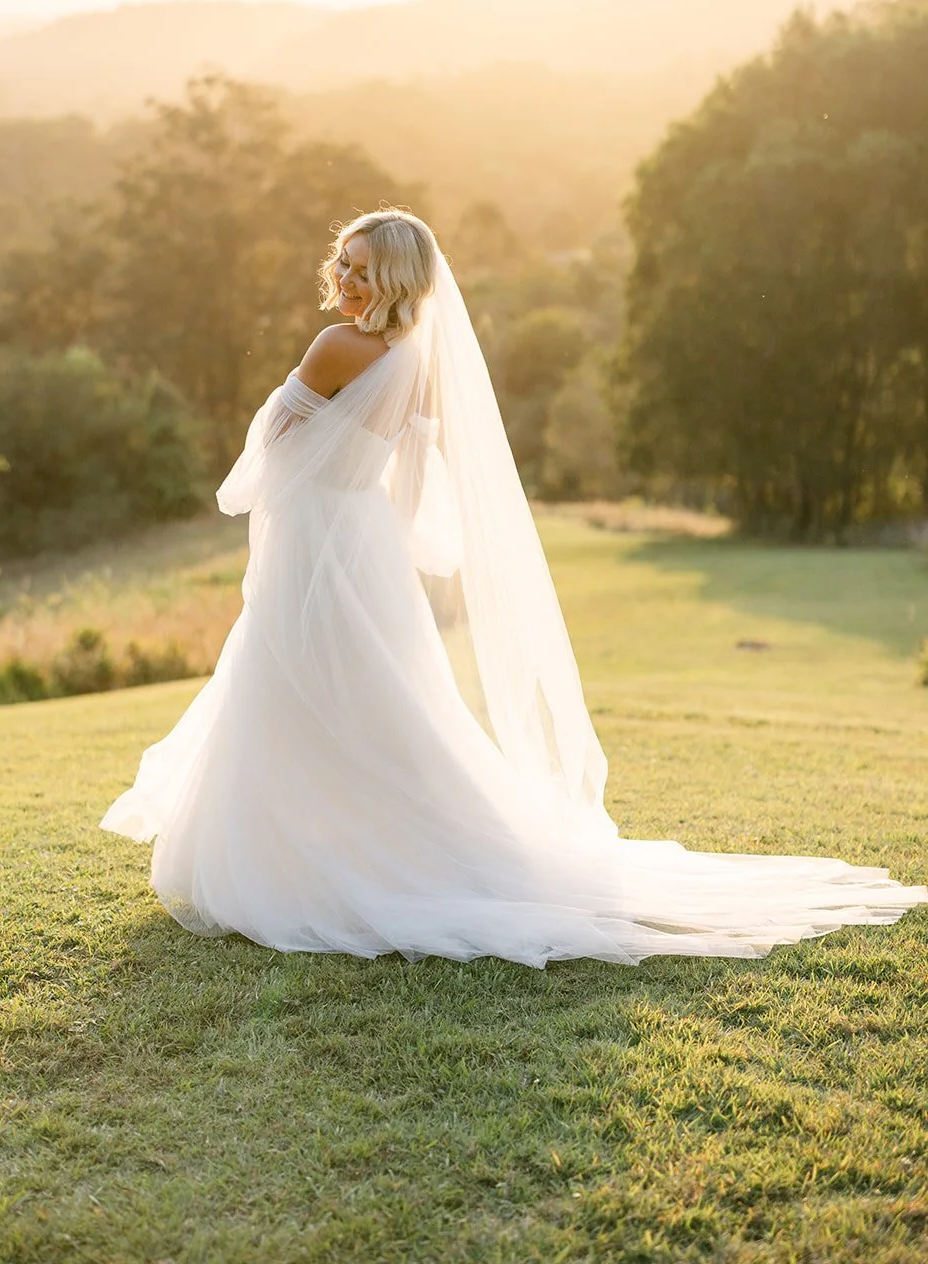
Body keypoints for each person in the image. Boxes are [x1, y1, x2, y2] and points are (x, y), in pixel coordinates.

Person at [101, 209, 925, 965]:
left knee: (293, 682)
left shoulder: (333, 348)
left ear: (395, 280)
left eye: (361, 270)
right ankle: (357, 844)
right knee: (376, 697)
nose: (344, 281)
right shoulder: (416, 361)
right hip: (368, 541)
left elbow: (268, 454)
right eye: (342, 264)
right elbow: (413, 472)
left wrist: (295, 475)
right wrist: (383, 528)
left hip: (321, 534)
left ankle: (288, 860)